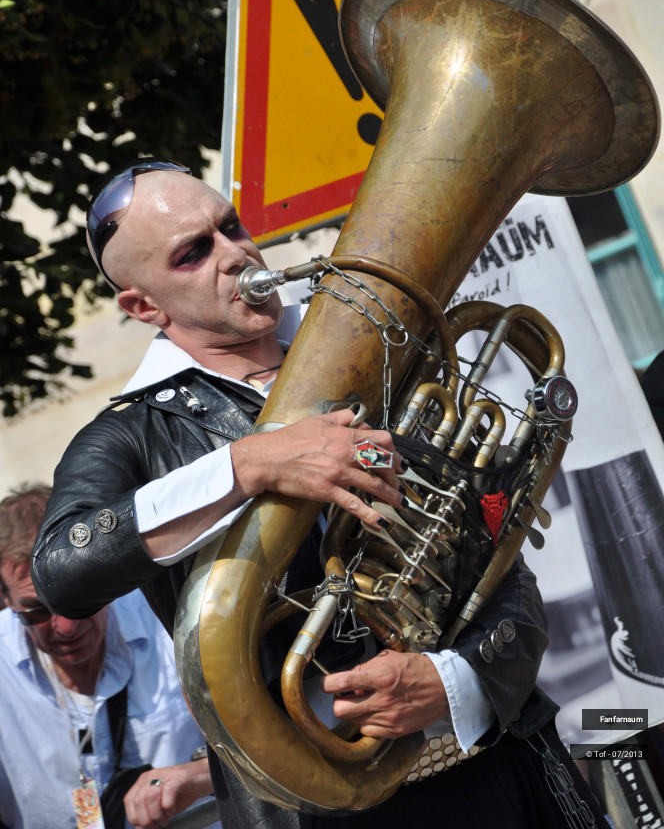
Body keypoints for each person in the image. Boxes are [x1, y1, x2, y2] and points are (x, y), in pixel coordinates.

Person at [32, 160, 609, 829]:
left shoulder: (376, 353)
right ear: (143, 307)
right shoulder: (129, 434)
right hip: (322, 810)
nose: (234, 254)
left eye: (230, 227)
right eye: (193, 254)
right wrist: (247, 465)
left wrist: (458, 680)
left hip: (505, 769)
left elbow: (497, 560)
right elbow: (61, 570)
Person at [0, 484, 218, 829]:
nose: (67, 626)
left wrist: (203, 774)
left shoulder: (174, 621)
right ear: (6, 601)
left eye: (78, 597)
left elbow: (270, 749)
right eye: (37, 611)